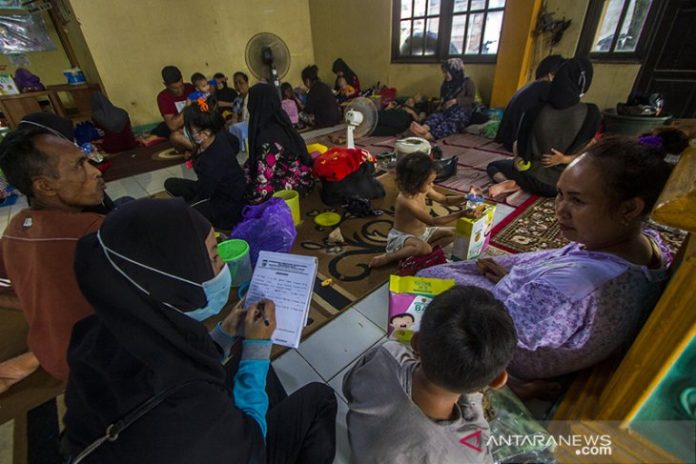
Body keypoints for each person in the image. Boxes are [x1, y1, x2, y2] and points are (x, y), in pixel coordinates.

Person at [64, 198, 337, 463]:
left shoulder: (99, 331)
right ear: (174, 277)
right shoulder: (184, 413)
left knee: (256, 376)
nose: (222, 269)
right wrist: (257, 349)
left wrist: (226, 333)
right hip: (229, 446)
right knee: (318, 398)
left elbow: (182, 359)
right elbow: (251, 445)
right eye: (214, 257)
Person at [420, 137, 674, 387]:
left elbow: (500, 332)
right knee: (468, 268)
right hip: (535, 291)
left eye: (577, 200)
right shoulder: (648, 241)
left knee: (427, 278)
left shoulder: (574, 289)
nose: (560, 209)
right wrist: (515, 279)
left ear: (629, 209)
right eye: (560, 194)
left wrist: (513, 287)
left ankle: (516, 386)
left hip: (514, 348)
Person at [343, 285, 517, 463]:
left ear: (416, 343)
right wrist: (473, 402)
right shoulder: (467, 455)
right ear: (497, 381)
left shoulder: (386, 354)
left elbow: (348, 385)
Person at [0, 125, 106, 387]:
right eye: (79, 165)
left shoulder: (13, 230)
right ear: (45, 186)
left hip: (50, 352)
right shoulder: (94, 232)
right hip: (98, 359)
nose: (94, 171)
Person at [487, 58, 600, 198]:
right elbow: (591, 153)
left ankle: (511, 183)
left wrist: (519, 160)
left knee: (494, 166)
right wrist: (565, 159)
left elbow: (521, 148)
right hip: (564, 185)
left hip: (531, 177)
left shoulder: (536, 110)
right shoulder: (591, 113)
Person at [369, 152, 466, 268]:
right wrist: (461, 214)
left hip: (424, 233)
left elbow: (445, 200)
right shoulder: (405, 200)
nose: (432, 185)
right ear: (415, 182)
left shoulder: (424, 189)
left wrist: (465, 197)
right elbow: (432, 221)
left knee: (455, 233)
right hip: (403, 237)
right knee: (422, 247)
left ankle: (424, 251)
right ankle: (388, 257)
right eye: (429, 182)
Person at [164, 96, 246, 230]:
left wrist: (191, 206)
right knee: (171, 184)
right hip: (223, 187)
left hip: (227, 205)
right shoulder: (218, 133)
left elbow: (204, 194)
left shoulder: (210, 161)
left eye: (188, 129)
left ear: (204, 132)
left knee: (182, 216)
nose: (186, 132)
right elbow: (235, 144)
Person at [245, 83, 315, 203]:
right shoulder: (278, 120)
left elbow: (261, 186)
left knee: (253, 193)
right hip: (300, 173)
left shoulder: (268, 140)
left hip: (299, 182)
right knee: (246, 170)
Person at [495, 54, 566, 152]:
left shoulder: (530, 86)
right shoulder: (546, 88)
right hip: (517, 144)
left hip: (507, 139)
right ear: (551, 75)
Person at [409, 58, 476, 140]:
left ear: (454, 71)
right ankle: (424, 128)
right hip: (447, 108)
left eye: (446, 72)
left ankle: (430, 136)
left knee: (451, 121)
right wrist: (441, 105)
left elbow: (471, 99)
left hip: (461, 110)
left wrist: (455, 101)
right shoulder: (446, 83)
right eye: (443, 72)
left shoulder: (468, 82)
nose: (444, 75)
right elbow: (443, 98)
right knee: (437, 115)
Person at [156, 65, 195, 152]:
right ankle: (199, 149)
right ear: (165, 85)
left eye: (181, 86)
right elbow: (173, 126)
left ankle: (198, 149)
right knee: (175, 137)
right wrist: (187, 106)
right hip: (184, 133)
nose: (180, 90)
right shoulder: (163, 97)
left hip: (198, 128)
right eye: (175, 88)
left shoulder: (190, 88)